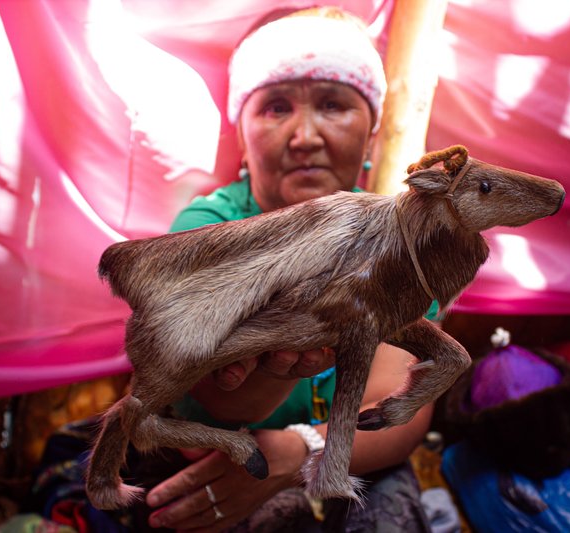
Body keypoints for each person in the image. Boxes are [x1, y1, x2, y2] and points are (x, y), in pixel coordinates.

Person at [132, 6, 438, 532]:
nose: (305, 137)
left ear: (371, 131)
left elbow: (400, 407)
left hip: (344, 456)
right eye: (276, 107)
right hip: (214, 456)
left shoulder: (403, 246)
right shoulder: (204, 234)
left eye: (333, 105)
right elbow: (211, 403)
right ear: (243, 135)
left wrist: (301, 451)